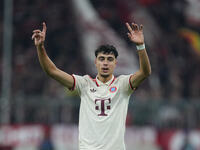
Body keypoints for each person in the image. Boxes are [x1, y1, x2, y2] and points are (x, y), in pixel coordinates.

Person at [32, 22, 151, 150]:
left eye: (110, 59)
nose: (105, 63)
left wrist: (140, 46)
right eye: (102, 59)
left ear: (115, 63)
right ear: (95, 62)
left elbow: (145, 72)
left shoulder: (122, 84)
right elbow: (52, 71)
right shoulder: (84, 84)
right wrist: (40, 48)